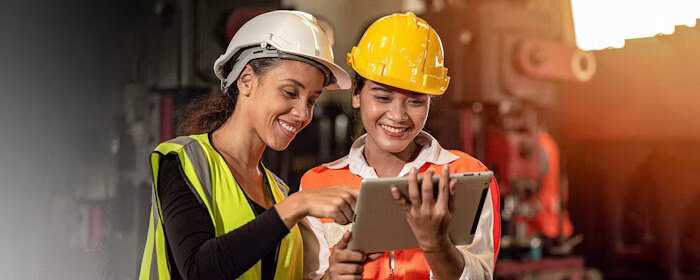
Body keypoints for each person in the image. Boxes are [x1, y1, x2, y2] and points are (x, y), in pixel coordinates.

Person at [138, 11, 360, 280]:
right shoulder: (183, 161)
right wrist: (296, 205)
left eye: (311, 100)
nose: (303, 114)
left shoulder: (278, 192)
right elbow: (199, 270)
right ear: (246, 81)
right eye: (290, 92)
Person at [300, 12, 501, 279]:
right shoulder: (317, 184)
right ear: (356, 94)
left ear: (430, 102)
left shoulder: (466, 176)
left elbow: (481, 276)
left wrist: (436, 245)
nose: (398, 115)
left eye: (415, 101)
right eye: (382, 97)